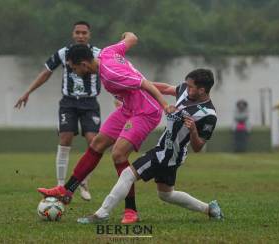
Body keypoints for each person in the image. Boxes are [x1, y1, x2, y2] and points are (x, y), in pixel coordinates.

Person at [37, 32, 176, 224]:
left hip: (145, 111)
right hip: (129, 107)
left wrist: (165, 104)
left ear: (84, 65)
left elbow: (144, 84)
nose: (74, 72)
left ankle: (131, 210)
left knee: (118, 154)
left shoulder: (110, 75)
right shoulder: (108, 52)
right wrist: (126, 35)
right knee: (97, 143)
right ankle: (67, 190)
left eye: (73, 68)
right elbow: (133, 38)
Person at [76, 69, 224, 224]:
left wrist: (193, 130)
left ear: (202, 90)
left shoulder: (208, 115)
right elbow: (164, 88)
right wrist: (133, 88)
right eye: (186, 85)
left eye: (190, 87)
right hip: (169, 153)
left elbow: (199, 146)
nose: (186, 89)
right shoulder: (185, 91)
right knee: (166, 194)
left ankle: (101, 214)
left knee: (127, 174)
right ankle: (210, 209)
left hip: (166, 154)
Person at [14, 21, 100, 201]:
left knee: (94, 141)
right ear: (72, 34)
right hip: (68, 103)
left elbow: (109, 73)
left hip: (90, 103)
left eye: (84, 33)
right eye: (78, 32)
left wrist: (118, 97)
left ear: (89, 35)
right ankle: (61, 185)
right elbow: (46, 73)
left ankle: (84, 181)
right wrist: (28, 91)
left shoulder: (98, 54)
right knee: (65, 137)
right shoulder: (63, 53)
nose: (81, 36)